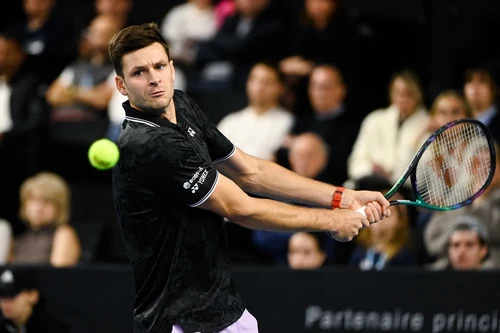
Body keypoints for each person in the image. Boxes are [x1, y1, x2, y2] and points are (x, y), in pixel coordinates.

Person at [109, 22, 391, 333]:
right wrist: (331, 220)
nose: (153, 79)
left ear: (172, 68)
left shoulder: (181, 104)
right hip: (179, 321)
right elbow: (241, 208)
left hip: (221, 308)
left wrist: (342, 197)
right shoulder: (148, 144)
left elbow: (250, 171)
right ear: (122, 85)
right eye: (139, 73)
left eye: (159, 66)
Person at [9, 172, 81, 267]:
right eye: (33, 200)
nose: (39, 208)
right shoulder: (18, 240)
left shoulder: (63, 234)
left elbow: (57, 276)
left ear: (59, 207)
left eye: (47, 202)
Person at [0, 267, 69, 333]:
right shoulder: (3, 326)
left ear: (33, 296)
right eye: (2, 294)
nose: (6, 301)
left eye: (12, 295)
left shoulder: (52, 328)